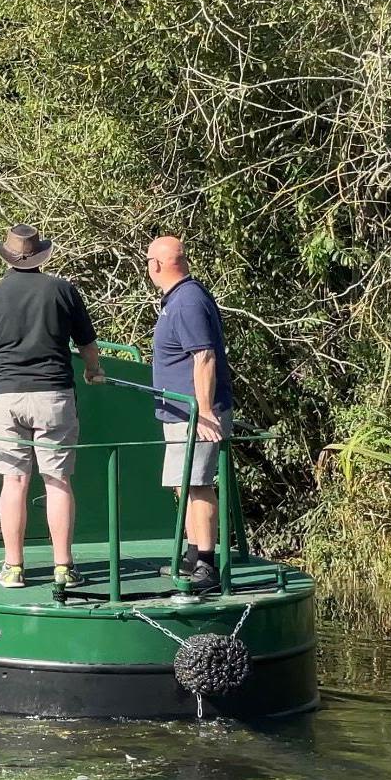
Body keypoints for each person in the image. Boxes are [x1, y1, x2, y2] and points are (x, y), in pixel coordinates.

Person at [0, 224, 105, 589]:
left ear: (7, 256)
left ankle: (13, 568)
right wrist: (93, 371)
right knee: (57, 480)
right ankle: (64, 567)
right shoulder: (63, 291)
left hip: (7, 397)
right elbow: (88, 345)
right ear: (41, 255)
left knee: (14, 481)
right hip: (54, 395)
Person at [145, 236, 235, 593]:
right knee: (183, 484)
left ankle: (207, 566)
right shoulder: (179, 299)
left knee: (197, 484)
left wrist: (206, 411)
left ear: (157, 265)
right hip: (179, 413)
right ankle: (193, 553)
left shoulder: (187, 302)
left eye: (148, 260)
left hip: (194, 414)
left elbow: (204, 357)